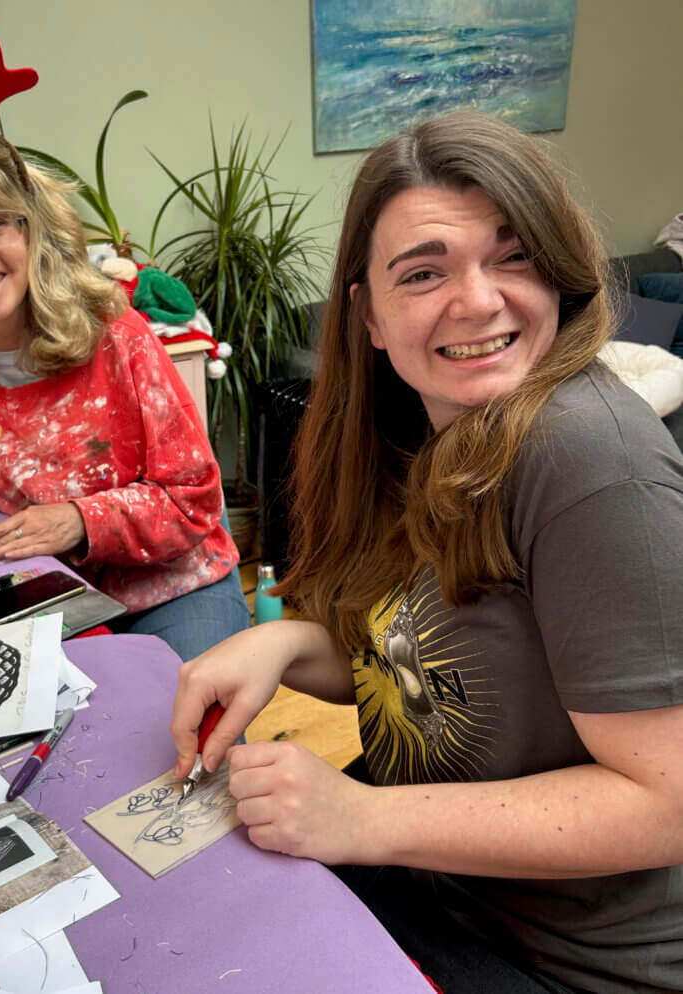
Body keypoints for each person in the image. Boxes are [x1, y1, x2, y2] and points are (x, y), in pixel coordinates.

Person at [171, 112, 683, 993]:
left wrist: (362, 819)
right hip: (431, 884)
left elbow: (664, 801)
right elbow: (430, 662)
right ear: (367, 316)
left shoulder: (592, 461)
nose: (478, 300)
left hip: (554, 961)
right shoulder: (413, 427)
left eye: (513, 256)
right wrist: (290, 643)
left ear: (560, 274)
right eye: (423, 273)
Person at [0, 124, 249, 660]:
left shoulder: (117, 336)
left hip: (171, 583)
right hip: (36, 588)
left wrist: (80, 520)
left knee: (195, 741)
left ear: (30, 228)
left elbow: (192, 498)